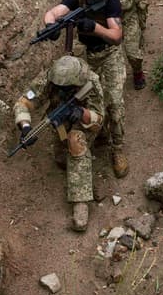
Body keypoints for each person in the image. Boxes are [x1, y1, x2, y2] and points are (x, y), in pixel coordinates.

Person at [42, 0, 129, 179]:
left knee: (114, 104)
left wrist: (95, 28)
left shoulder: (111, 1)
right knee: (76, 98)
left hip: (108, 54)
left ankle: (117, 148)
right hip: (84, 55)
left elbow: (116, 35)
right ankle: (82, 138)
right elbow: (55, 11)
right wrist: (50, 26)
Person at [13, 55, 106, 232]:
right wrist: (25, 127)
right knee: (62, 159)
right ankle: (70, 156)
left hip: (86, 122)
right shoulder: (47, 79)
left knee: (75, 142)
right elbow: (23, 102)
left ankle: (81, 201)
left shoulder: (91, 81)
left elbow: (99, 119)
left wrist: (81, 112)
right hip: (59, 121)